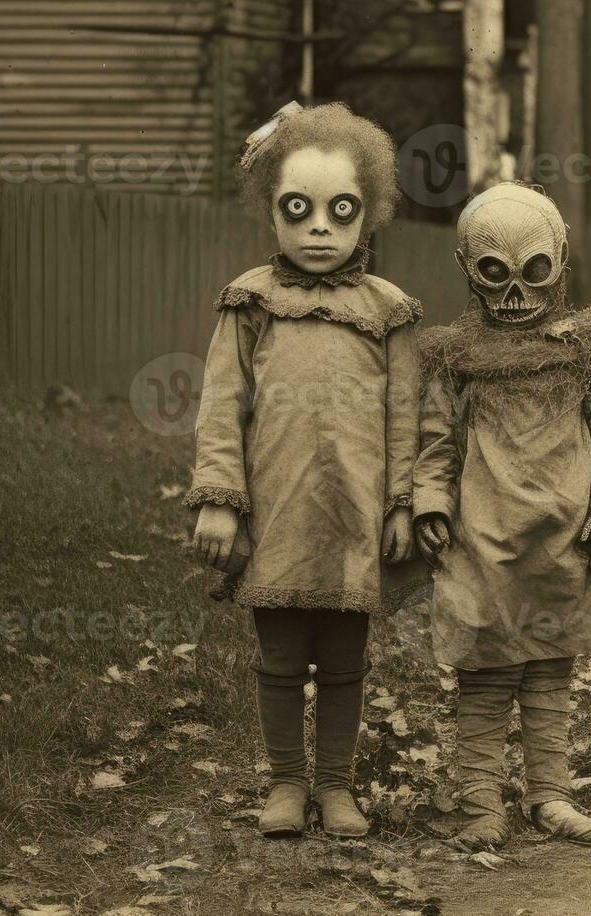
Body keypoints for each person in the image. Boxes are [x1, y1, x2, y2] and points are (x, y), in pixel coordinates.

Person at [187, 102, 426, 838]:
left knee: (346, 659)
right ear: (273, 211)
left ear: (370, 213)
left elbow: (407, 417)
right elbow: (221, 406)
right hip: (279, 507)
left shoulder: (389, 313)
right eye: (300, 209)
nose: (319, 227)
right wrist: (219, 498)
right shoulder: (250, 302)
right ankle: (287, 784)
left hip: (354, 511)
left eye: (339, 209)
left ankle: (337, 787)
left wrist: (402, 503)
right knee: (282, 654)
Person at [412, 182, 591, 849]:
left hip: (561, 538)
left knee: (549, 670)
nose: (515, 294)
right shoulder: (453, 359)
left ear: (559, 262)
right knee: (485, 675)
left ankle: (549, 796)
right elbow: (433, 442)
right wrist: (429, 502)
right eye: (495, 274)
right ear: (468, 270)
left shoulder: (588, 349)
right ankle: (480, 804)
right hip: (479, 538)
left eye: (533, 271)